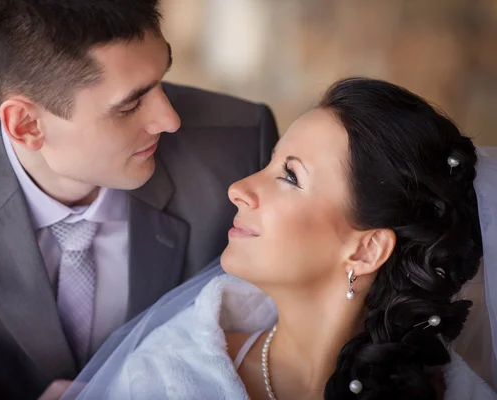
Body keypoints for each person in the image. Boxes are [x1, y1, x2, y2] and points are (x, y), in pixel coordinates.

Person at [0, 1, 278, 399]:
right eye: (130, 104)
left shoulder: (240, 148)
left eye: (162, 78)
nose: (169, 120)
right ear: (26, 125)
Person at [65, 78, 497, 400]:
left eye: (289, 176)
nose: (239, 188)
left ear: (366, 249)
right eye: (271, 163)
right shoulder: (166, 376)